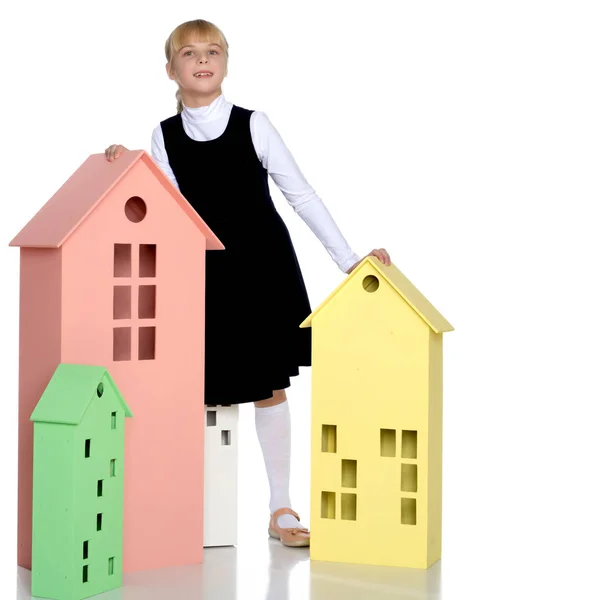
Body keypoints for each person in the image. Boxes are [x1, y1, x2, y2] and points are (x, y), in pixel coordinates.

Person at [105, 18, 391, 548]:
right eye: (189, 53)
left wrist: (348, 260)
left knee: (267, 388)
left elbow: (300, 195)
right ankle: (183, 508)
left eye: (213, 51)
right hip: (204, 275)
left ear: (226, 64)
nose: (202, 59)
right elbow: (166, 209)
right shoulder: (162, 135)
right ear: (171, 69)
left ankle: (279, 507)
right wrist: (126, 169)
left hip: (262, 270)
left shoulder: (254, 124)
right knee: (197, 389)